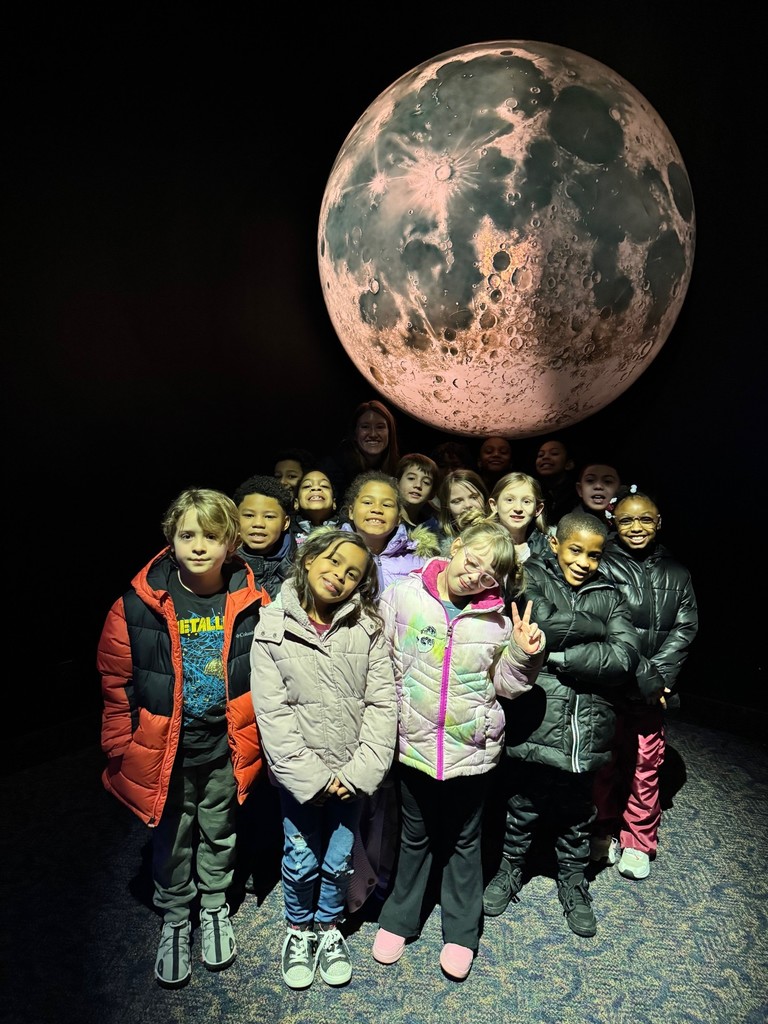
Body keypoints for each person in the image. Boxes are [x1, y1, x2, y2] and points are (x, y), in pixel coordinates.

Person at [98, 487, 270, 988]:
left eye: (211, 535)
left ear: (231, 542)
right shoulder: (136, 605)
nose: (198, 545)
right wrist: (120, 746)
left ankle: (215, 905)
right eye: (187, 534)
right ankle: (175, 914)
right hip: (164, 749)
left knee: (219, 825)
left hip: (225, 744)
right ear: (170, 539)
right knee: (172, 831)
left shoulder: (253, 602)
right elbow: (116, 681)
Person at [370, 519, 545, 980]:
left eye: (490, 574)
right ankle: (399, 918)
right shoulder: (403, 596)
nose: (476, 575)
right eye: (473, 560)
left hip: (473, 749)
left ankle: (462, 931)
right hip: (414, 745)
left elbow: (507, 687)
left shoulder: (499, 619)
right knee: (416, 835)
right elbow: (380, 661)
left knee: (466, 842)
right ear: (457, 546)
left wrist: (524, 655)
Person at [249, 529, 397, 990]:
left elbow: (382, 705)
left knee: (337, 860)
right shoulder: (271, 627)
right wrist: (312, 779)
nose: (340, 577)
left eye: (353, 573)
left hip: (351, 776)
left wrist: (359, 773)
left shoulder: (368, 629)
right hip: (300, 780)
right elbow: (272, 714)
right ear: (308, 560)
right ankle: (298, 928)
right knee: (299, 857)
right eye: (333, 563)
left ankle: (328, 927)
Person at [483, 511, 639, 939]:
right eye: (576, 550)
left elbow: (624, 657)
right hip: (538, 719)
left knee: (576, 813)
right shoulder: (531, 575)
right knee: (523, 805)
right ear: (555, 544)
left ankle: (573, 882)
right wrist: (596, 632)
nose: (585, 562)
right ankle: (510, 869)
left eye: (594, 554)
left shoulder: (610, 592)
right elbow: (539, 622)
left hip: (586, 726)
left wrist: (557, 659)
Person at [591, 486, 698, 879]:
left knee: (645, 765)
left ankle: (637, 838)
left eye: (645, 519)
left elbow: (685, 629)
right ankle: (601, 829)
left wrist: (659, 679)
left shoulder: (678, 572)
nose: (636, 527)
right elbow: (606, 624)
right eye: (626, 520)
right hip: (611, 683)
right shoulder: (603, 565)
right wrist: (640, 673)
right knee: (604, 761)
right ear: (613, 524)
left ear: (658, 522)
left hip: (654, 695)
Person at [342, 470, 440, 594]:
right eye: (367, 502)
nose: (377, 509)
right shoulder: (330, 552)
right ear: (351, 512)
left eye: (387, 505)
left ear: (398, 518)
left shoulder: (420, 560)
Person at [319, 399, 401, 501]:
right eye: (365, 427)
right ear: (354, 434)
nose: (373, 434)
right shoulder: (333, 469)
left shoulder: (400, 470)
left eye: (380, 427)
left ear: (390, 433)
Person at [232, 474, 296, 599]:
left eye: (269, 516)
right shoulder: (220, 567)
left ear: (285, 523)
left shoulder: (300, 570)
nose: (258, 524)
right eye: (249, 515)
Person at [488, 471, 550, 564]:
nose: (518, 508)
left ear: (537, 509)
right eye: (509, 500)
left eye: (526, 502)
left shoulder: (548, 549)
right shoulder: (480, 546)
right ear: (494, 505)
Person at [434, 468, 490, 554]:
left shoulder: (502, 538)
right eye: (457, 501)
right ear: (447, 508)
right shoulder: (437, 548)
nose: (467, 505)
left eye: (474, 497)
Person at [533, 436, 577, 526]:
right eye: (541, 455)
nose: (545, 457)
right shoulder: (533, 491)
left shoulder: (577, 494)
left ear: (569, 464)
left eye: (554, 453)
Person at [292, 467, 339, 546]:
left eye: (324, 486)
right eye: (307, 486)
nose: (316, 488)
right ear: (296, 503)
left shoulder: (348, 530)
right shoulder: (285, 532)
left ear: (334, 503)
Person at [395, 452, 439, 531]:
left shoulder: (433, 529)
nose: (418, 485)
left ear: (432, 493)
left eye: (426, 482)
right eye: (411, 478)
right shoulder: (387, 523)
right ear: (397, 483)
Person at [573, 459, 622, 526]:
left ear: (620, 489)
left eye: (607, 481)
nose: (598, 486)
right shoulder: (570, 524)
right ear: (580, 489)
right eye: (590, 480)